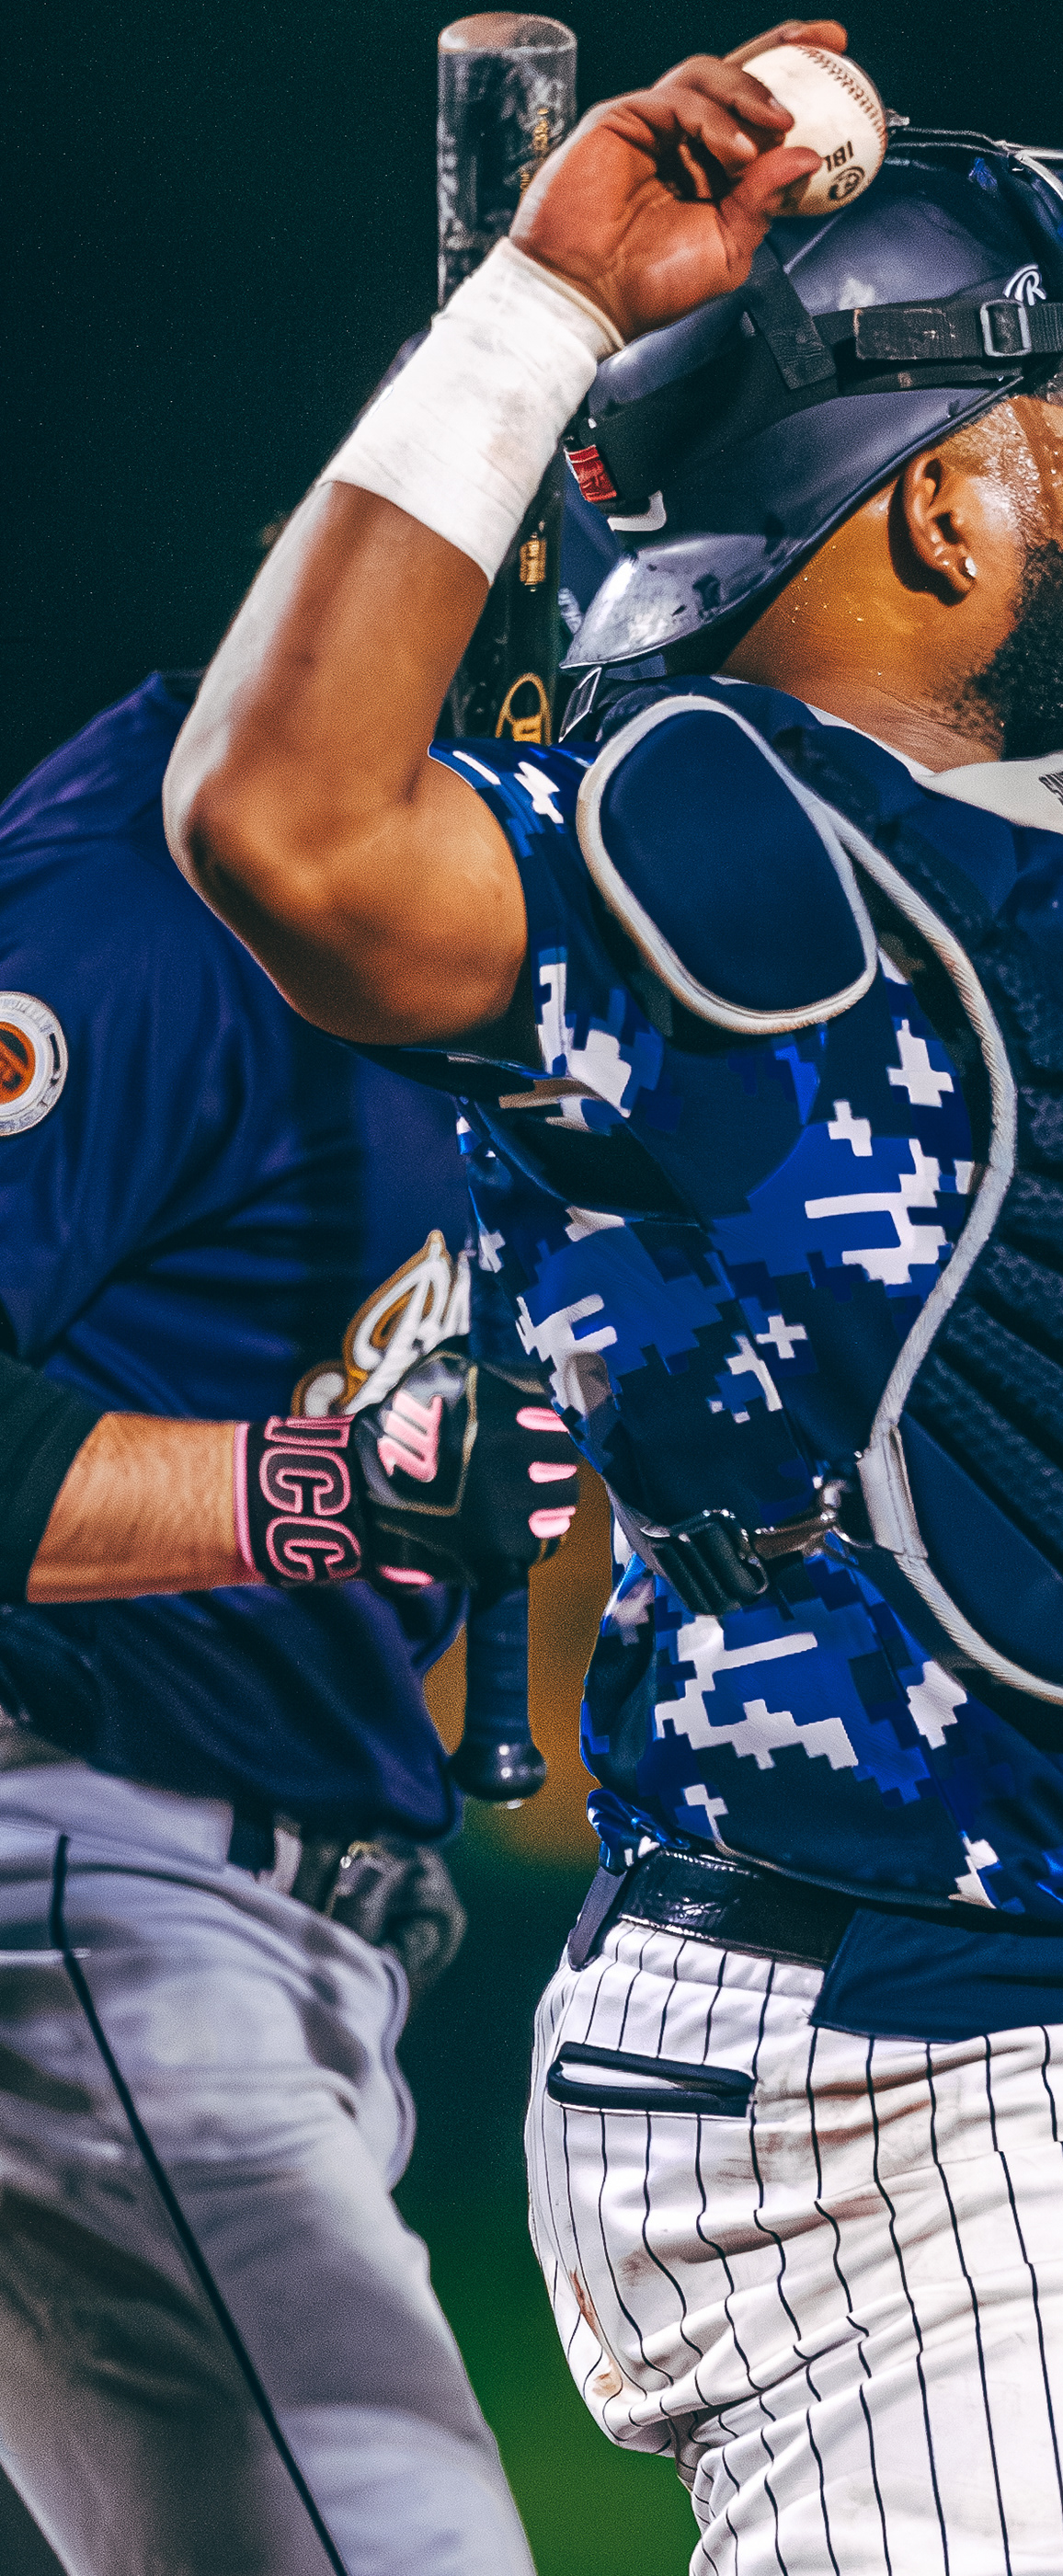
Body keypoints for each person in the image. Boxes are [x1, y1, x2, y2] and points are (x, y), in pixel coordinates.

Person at [163, 20, 1063, 2573]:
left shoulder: (1033, 861)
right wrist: (547, 304)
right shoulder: (726, 848)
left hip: (1003, 2050)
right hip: (964, 2095)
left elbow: (933, 1396)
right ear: (938, 506)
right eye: (1060, 429)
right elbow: (281, 824)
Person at [0, 670, 577, 2576]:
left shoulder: (499, 928)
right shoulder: (139, 897)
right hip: (85, 1868)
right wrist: (333, 1484)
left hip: (257, 1925)